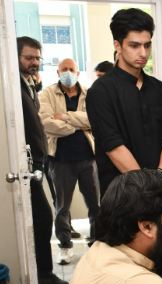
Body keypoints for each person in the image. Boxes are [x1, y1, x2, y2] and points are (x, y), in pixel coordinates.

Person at [86, 8, 162, 196]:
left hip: (161, 191)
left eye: (147, 45)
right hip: (122, 195)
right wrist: (146, 186)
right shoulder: (101, 91)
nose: (143, 53)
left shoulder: (160, 90)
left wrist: (160, 176)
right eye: (134, 45)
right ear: (118, 45)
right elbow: (113, 146)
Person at [17, 36, 68, 284]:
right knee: (44, 216)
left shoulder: (29, 84)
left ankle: (41, 272)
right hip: (26, 165)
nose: (34, 62)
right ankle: (44, 274)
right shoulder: (13, 86)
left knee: (42, 216)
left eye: (37, 57)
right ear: (16, 58)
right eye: (28, 58)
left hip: (39, 161)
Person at [39, 58, 101, 263]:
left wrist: (64, 117)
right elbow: (46, 123)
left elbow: (95, 119)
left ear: (78, 73)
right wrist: (78, 123)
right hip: (60, 161)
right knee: (62, 207)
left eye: (71, 69)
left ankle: (97, 243)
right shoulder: (47, 94)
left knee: (95, 204)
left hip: (88, 159)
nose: (67, 73)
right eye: (63, 70)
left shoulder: (89, 94)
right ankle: (65, 246)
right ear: (57, 73)